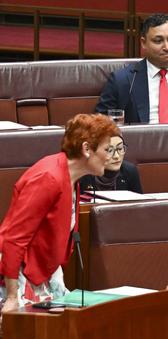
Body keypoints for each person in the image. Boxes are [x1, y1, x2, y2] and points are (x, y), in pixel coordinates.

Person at [0, 114, 121, 314]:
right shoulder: (49, 177)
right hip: (16, 276)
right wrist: (13, 297)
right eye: (107, 150)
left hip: (42, 271)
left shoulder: (72, 178)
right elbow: (14, 239)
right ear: (86, 149)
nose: (111, 157)